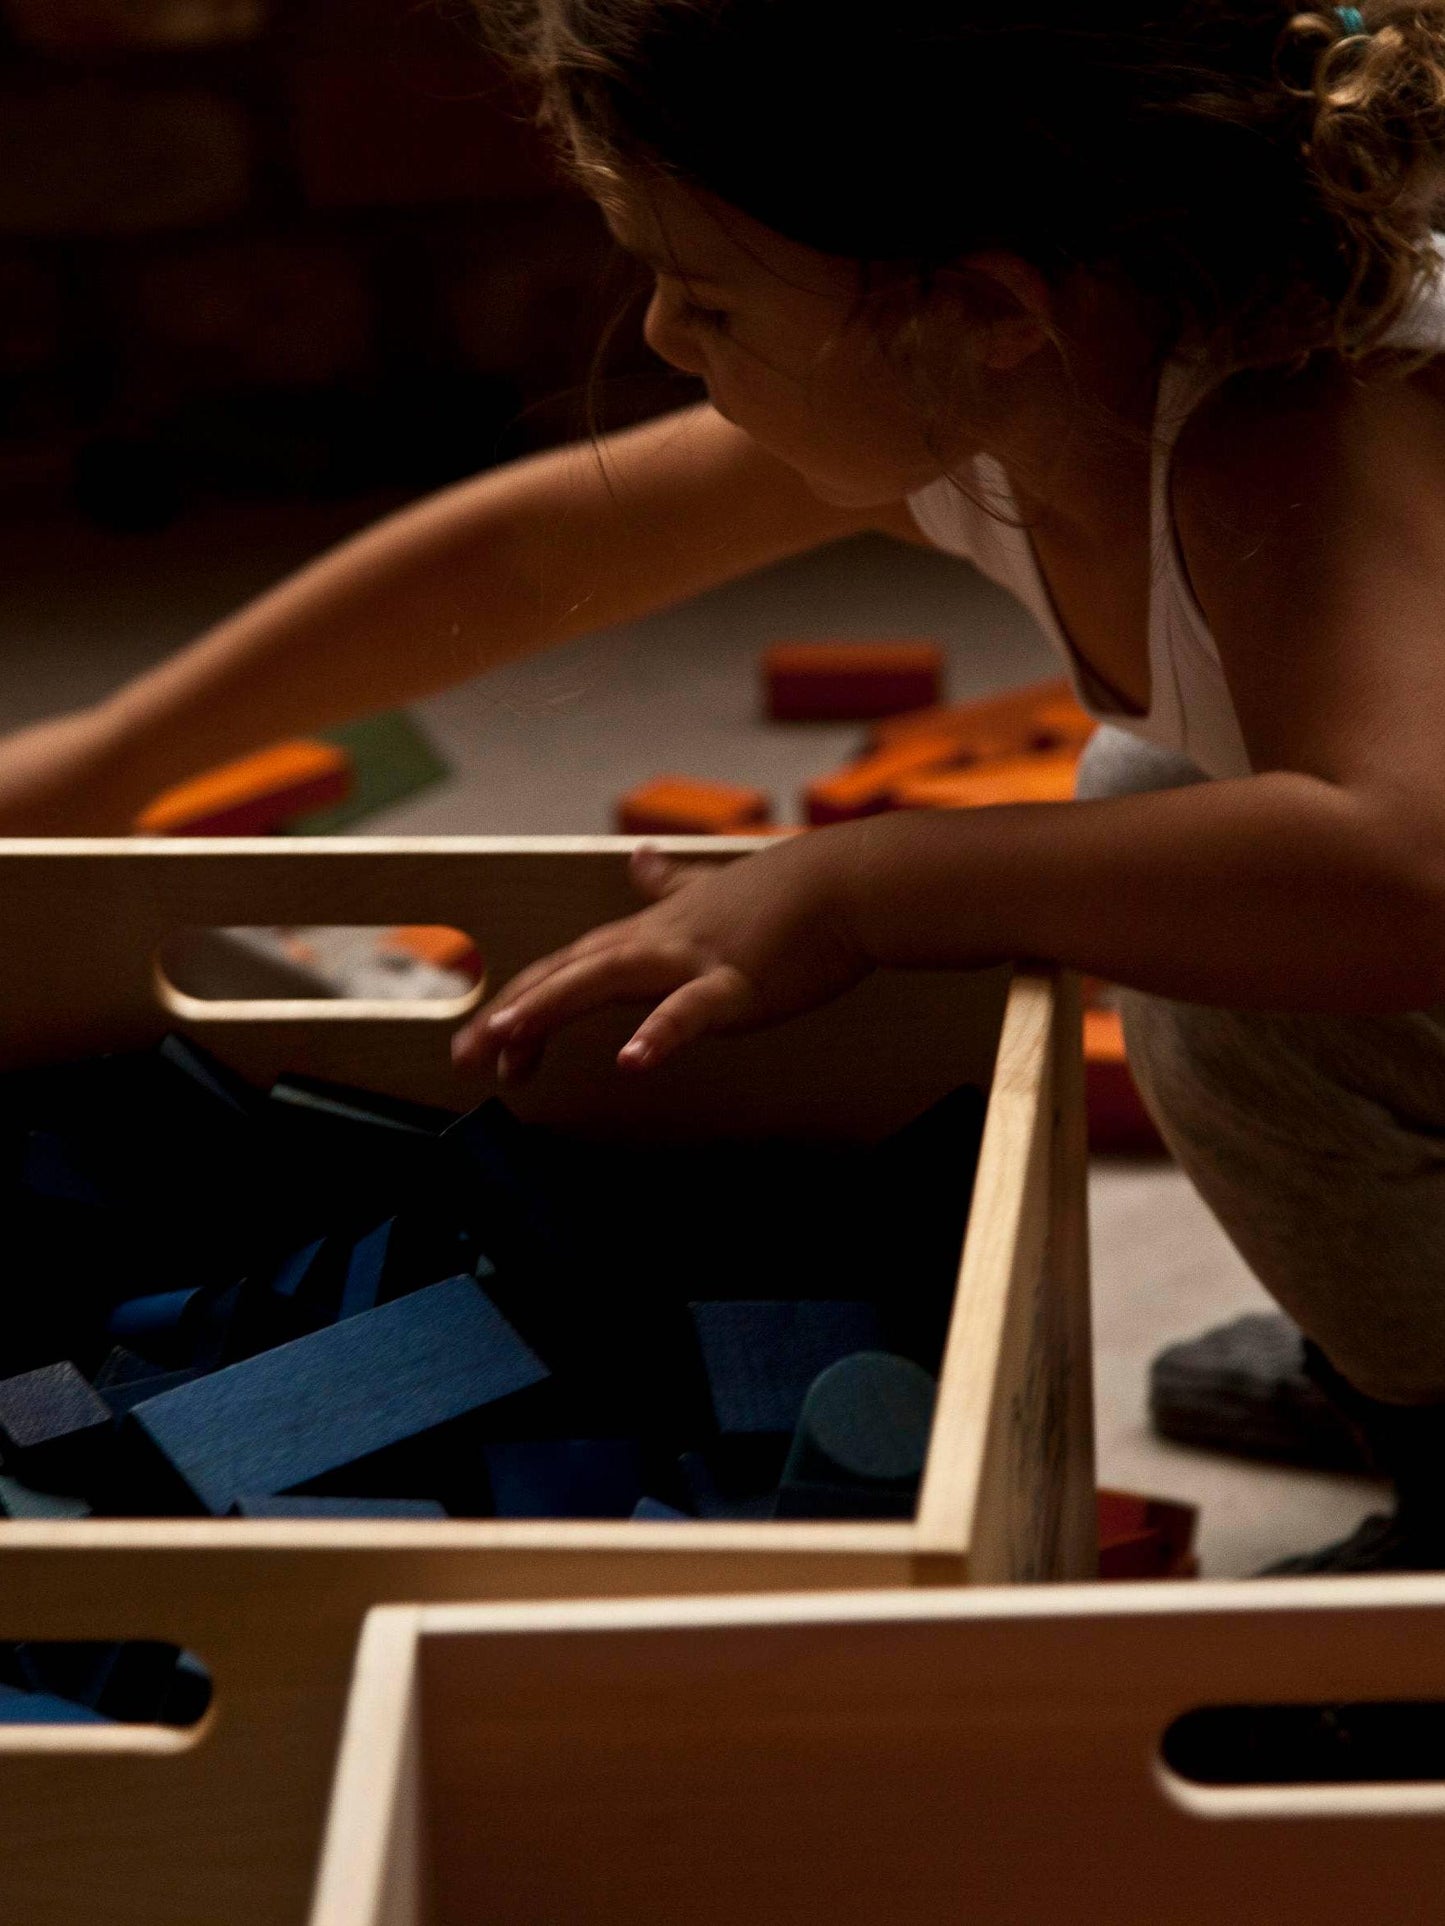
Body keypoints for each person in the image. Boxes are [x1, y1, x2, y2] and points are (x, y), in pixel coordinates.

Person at [5, 0, 1445, 1570]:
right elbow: (533, 553)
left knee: (1179, 865)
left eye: (704, 299)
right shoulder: (1024, 382)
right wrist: (116, 755)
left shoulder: (1286, 439)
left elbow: (1409, 869)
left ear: (979, 306)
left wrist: (862, 885)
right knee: (1163, 806)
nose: (658, 339)